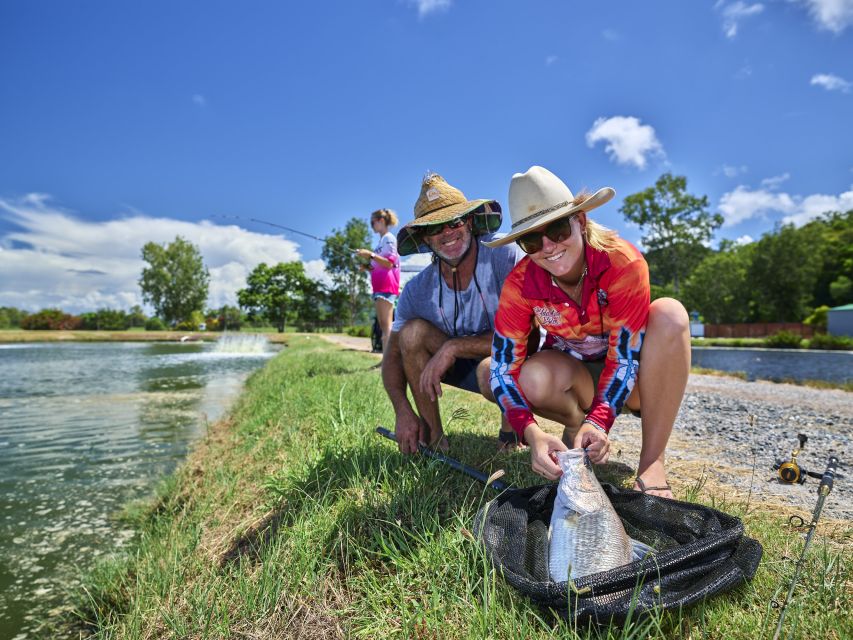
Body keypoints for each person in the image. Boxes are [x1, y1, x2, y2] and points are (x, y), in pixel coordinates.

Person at [486, 166, 690, 498]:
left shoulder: (621, 262)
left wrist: (600, 420)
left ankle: (652, 462)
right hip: (574, 375)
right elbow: (501, 367)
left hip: (633, 378)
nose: (548, 246)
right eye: (532, 240)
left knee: (671, 313)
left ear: (580, 221)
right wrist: (531, 432)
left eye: (557, 228)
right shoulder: (520, 284)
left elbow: (625, 356)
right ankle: (575, 426)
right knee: (530, 377)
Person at [382, 172, 524, 454]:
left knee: (494, 368)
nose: (447, 232)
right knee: (410, 335)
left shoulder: (505, 256)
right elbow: (392, 358)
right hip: (454, 366)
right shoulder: (416, 291)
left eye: (455, 221)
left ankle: (511, 433)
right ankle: (434, 439)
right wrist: (402, 410)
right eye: (435, 227)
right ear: (425, 238)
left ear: (469, 222)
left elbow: (524, 336)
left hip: (510, 360)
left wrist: (455, 346)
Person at [355, 208, 401, 354]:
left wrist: (370, 255)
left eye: (372, 222)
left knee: (386, 326)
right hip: (379, 287)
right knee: (383, 326)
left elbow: (389, 264)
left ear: (381, 221)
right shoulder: (382, 241)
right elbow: (380, 266)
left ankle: (388, 362)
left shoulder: (389, 238)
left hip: (387, 287)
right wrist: (367, 267)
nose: (371, 225)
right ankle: (385, 360)